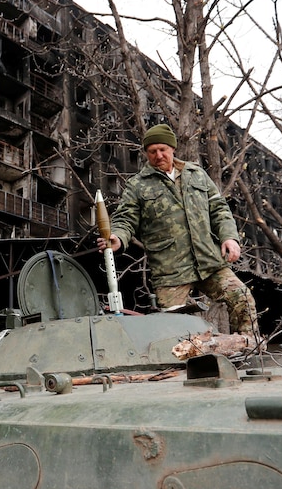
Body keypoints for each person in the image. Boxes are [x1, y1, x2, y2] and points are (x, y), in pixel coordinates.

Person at [96, 123, 259, 334]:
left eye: (163, 149)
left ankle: (249, 348)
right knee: (172, 328)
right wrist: (117, 237)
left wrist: (229, 238)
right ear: (146, 154)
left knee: (242, 298)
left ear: (173, 149)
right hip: (170, 269)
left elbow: (219, 209)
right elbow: (126, 218)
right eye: (152, 151)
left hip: (209, 260)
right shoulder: (138, 185)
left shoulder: (196, 174)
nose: (159, 155)